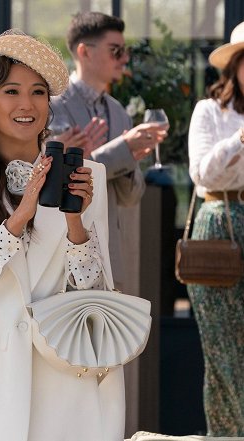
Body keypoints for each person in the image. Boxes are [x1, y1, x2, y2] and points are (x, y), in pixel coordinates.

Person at [0, 30, 124, 441]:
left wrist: (76, 221)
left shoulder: (91, 177)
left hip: (64, 374)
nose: (26, 104)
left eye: (38, 93)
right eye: (11, 91)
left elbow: (95, 287)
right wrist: (20, 216)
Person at [50, 11, 167, 292]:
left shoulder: (119, 112)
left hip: (112, 253)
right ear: (84, 52)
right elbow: (60, 177)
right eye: (116, 51)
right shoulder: (53, 106)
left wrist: (130, 159)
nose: (124, 58)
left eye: (124, 51)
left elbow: (131, 196)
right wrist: (122, 150)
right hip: (64, 252)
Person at [186, 21, 244, 437]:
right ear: (236, 65)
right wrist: (240, 139)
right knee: (223, 350)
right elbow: (202, 174)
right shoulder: (210, 111)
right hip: (217, 226)